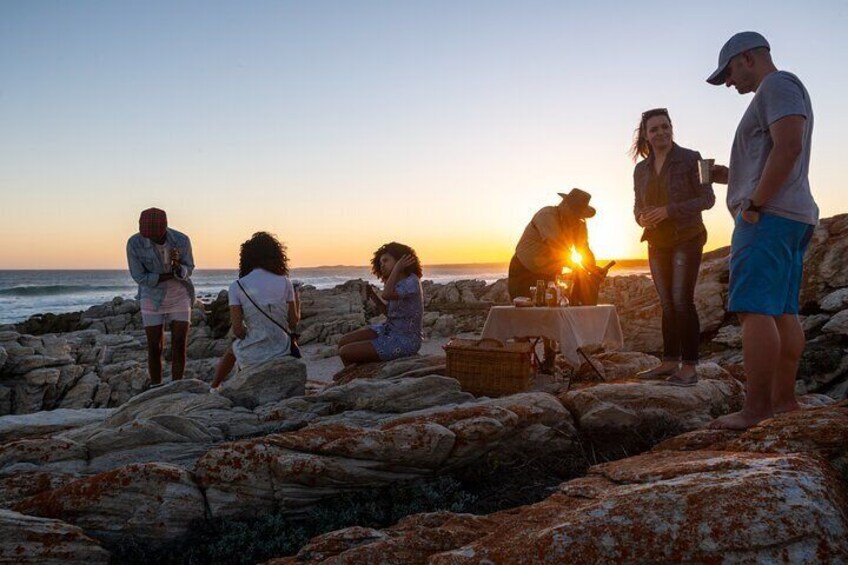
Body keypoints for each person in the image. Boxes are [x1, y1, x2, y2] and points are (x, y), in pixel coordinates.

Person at [705, 32, 818, 429]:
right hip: (792, 215)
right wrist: (729, 177)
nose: (729, 82)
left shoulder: (777, 84)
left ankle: (756, 410)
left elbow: (789, 146)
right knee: (783, 311)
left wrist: (754, 203)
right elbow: (774, 152)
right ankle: (783, 402)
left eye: (730, 72)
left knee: (753, 310)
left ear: (748, 58)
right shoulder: (777, 89)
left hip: (768, 216)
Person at [631, 108, 716, 386]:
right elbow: (636, 206)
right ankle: (669, 362)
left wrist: (669, 210)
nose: (661, 133)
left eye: (665, 127)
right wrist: (641, 217)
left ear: (672, 128)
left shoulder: (694, 158)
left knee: (682, 302)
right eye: (654, 129)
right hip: (656, 242)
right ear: (645, 135)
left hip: (687, 237)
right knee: (667, 304)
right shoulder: (640, 169)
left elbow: (708, 198)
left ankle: (689, 367)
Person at [508, 189, 597, 371]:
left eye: (580, 214)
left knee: (551, 314)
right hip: (524, 269)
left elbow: (584, 250)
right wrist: (577, 267)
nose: (577, 217)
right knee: (522, 315)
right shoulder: (547, 214)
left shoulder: (580, 225)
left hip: (549, 271)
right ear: (563, 205)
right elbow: (557, 244)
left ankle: (549, 360)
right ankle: (523, 361)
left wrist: (593, 270)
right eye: (574, 212)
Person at [211, 232, 300, 389]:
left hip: (254, 353)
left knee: (233, 349)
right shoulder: (286, 283)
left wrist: (249, 331)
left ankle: (214, 386)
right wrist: (297, 299)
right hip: (282, 348)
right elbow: (293, 323)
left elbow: (238, 330)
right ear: (276, 255)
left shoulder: (237, 286)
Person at [126, 208, 195, 387]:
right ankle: (156, 387)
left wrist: (180, 269)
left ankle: (175, 386)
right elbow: (139, 277)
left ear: (165, 228)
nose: (150, 239)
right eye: (147, 235)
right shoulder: (134, 243)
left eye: (154, 235)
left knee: (179, 345)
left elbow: (190, 267)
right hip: (151, 296)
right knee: (154, 347)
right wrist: (168, 276)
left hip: (179, 295)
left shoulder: (181, 240)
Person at [338, 242, 423, 366]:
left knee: (345, 352)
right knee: (343, 341)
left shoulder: (412, 281)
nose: (382, 265)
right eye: (380, 262)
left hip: (404, 340)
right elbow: (389, 313)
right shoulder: (395, 282)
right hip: (388, 330)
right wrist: (372, 295)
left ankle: (358, 376)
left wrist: (397, 268)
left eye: (386, 261)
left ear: (400, 261)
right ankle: (354, 375)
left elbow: (386, 295)